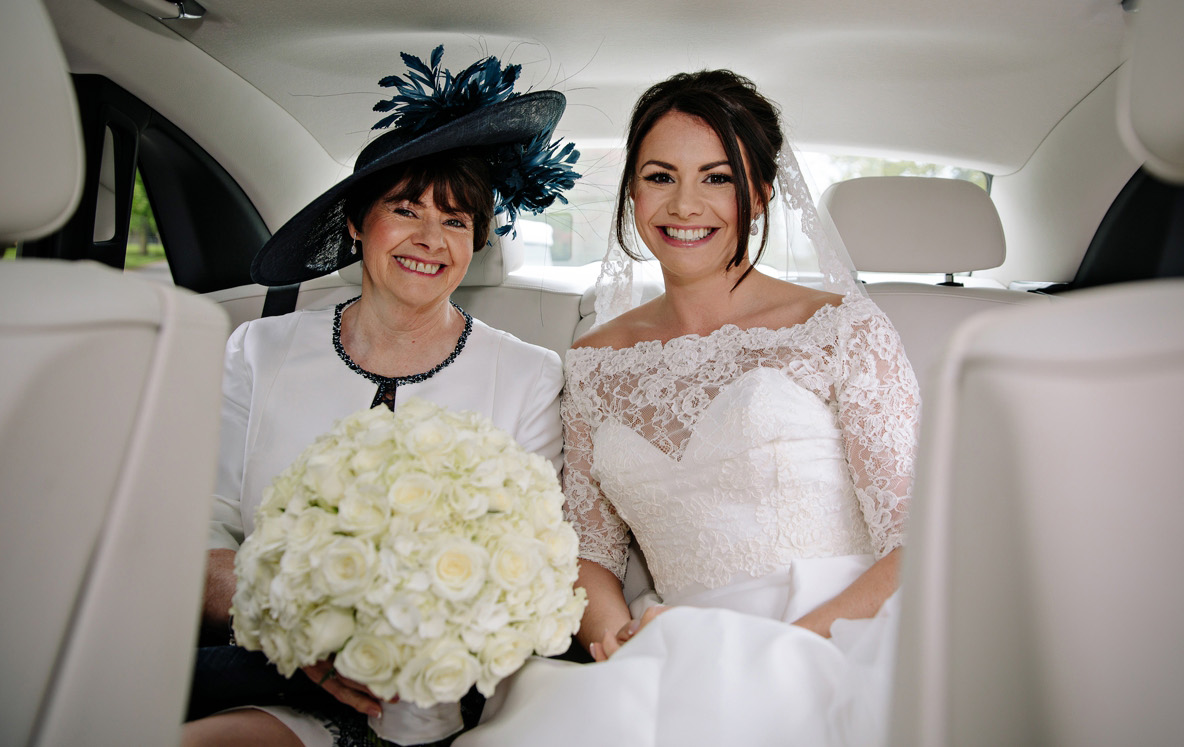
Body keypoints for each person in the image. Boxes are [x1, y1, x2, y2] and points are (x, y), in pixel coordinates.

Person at [458, 70, 920, 747]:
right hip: (673, 647)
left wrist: (778, 654)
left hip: (839, 635)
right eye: (659, 176)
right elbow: (590, 552)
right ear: (632, 192)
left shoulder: (842, 329)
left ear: (759, 194)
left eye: (717, 177)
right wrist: (613, 636)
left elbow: (917, 543)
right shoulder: (593, 361)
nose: (684, 204)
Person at [183, 48, 579, 747]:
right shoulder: (258, 349)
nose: (431, 238)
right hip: (272, 680)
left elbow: (535, 557)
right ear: (360, 223)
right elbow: (201, 539)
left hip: (448, 712)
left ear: (477, 241)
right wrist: (303, 629)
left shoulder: (527, 374)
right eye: (406, 209)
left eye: (456, 221)